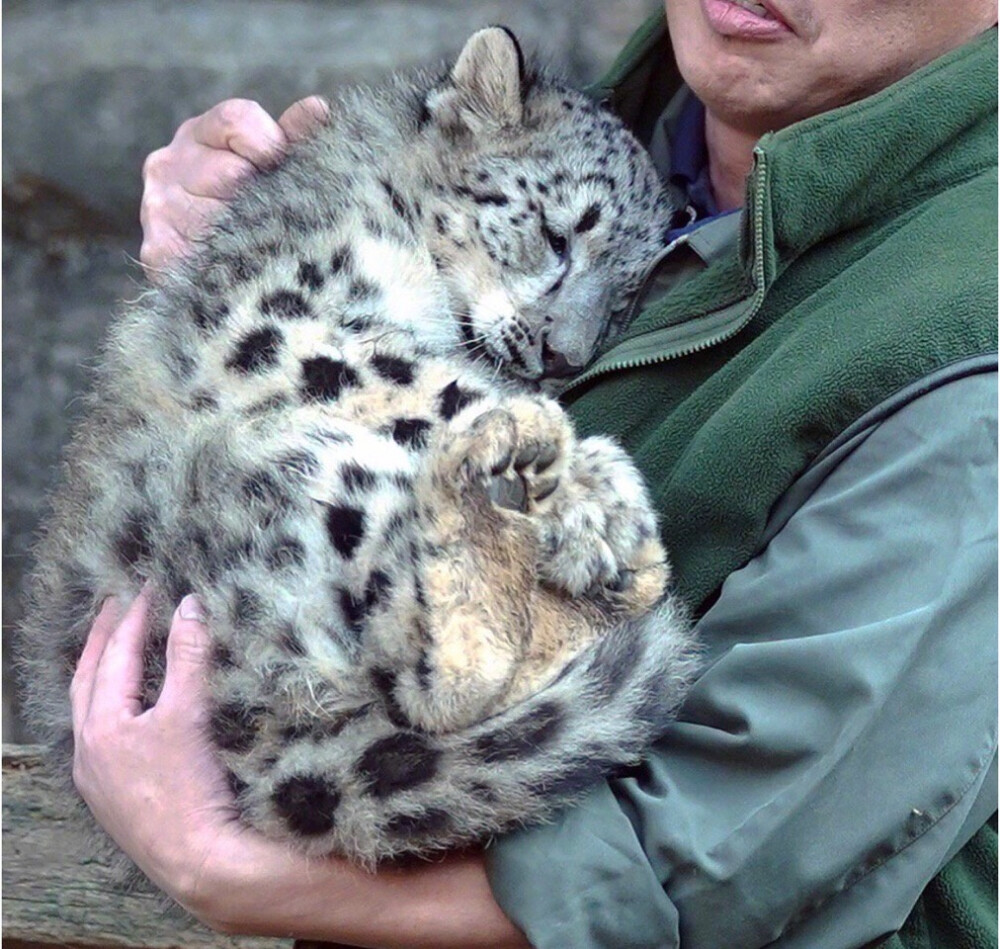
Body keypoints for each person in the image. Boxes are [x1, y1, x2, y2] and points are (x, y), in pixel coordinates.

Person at [70, 1, 998, 947]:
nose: (564, 342)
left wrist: (229, 870)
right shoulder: (615, 134)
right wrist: (237, 229)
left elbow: (709, 867)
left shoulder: (972, 343)